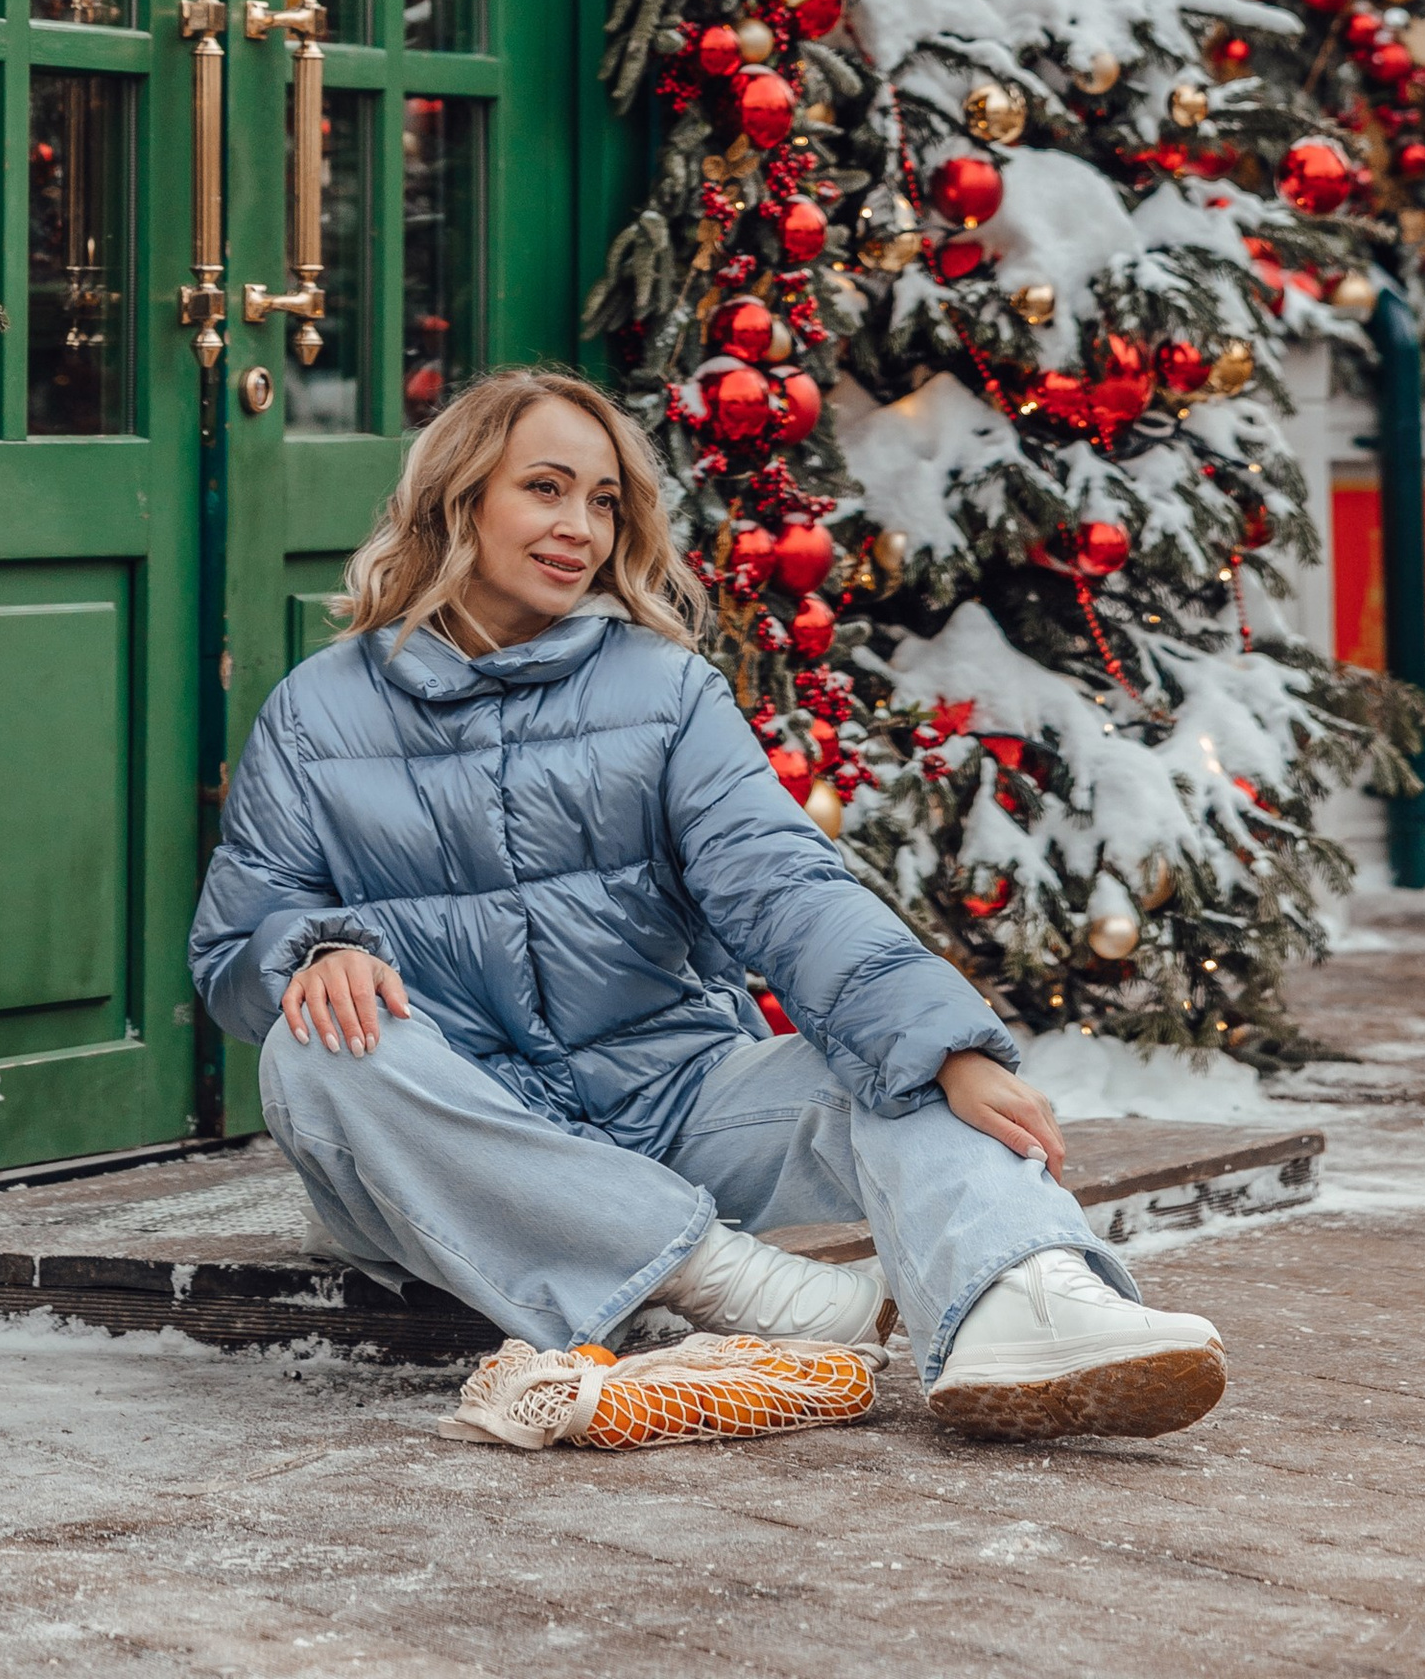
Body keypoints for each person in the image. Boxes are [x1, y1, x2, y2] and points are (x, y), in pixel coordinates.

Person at [190, 364, 1224, 1440]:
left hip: (674, 1100)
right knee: (313, 1052)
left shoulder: (664, 688)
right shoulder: (319, 711)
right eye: (544, 489)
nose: (579, 528)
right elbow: (232, 948)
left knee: (898, 1062)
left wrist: (943, 1043)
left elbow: (782, 881)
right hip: (462, 1141)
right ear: (459, 499)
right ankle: (739, 1286)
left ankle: (1026, 1298)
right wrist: (314, 951)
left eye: (603, 501)